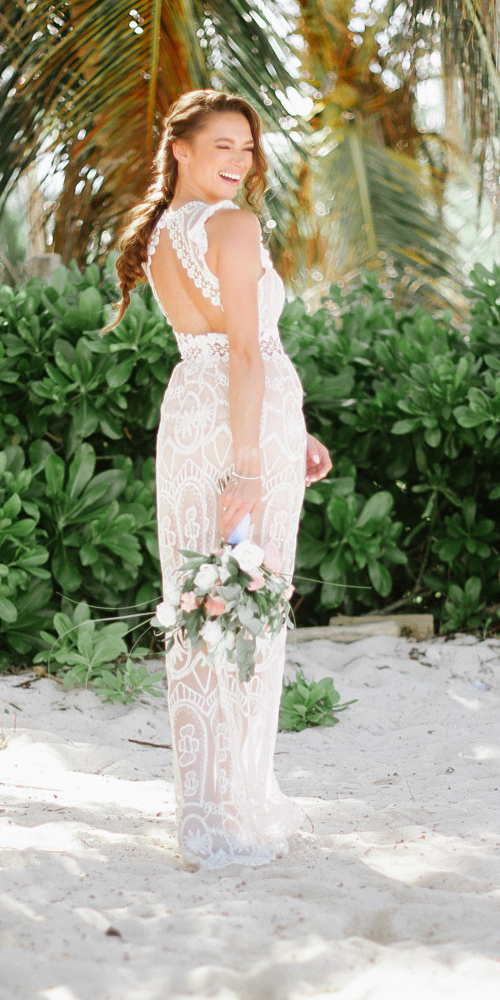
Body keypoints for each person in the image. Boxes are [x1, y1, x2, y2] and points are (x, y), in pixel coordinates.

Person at [111, 89, 332, 870]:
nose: (240, 163)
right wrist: (248, 464)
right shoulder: (233, 226)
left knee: (206, 604)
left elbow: (224, 347)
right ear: (180, 147)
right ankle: (228, 810)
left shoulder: (165, 232)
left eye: (247, 149)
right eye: (224, 146)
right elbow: (245, 349)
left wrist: (291, 429)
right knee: (244, 608)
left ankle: (211, 803)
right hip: (237, 433)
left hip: (200, 416)